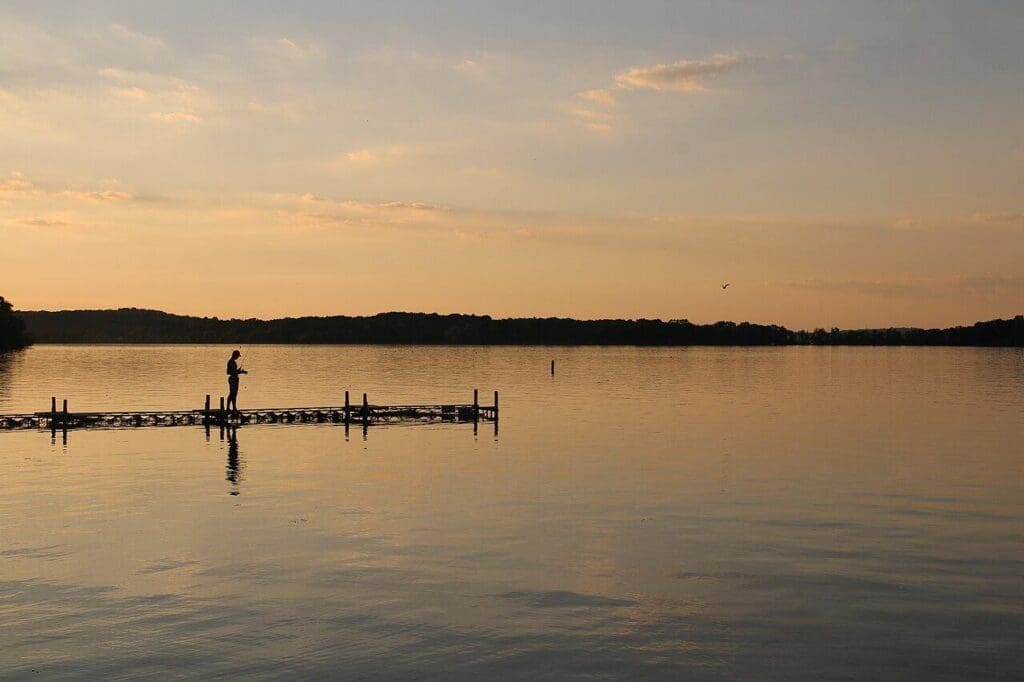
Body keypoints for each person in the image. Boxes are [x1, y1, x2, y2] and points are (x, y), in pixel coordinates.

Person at [226, 350, 248, 416]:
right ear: (235, 355)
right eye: (237, 356)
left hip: (234, 379)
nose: (238, 357)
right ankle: (233, 408)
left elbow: (231, 371)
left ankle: (229, 408)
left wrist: (238, 371)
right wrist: (241, 372)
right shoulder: (231, 362)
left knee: (232, 394)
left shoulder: (231, 362)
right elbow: (231, 372)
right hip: (233, 379)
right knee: (233, 394)